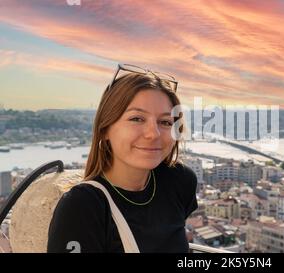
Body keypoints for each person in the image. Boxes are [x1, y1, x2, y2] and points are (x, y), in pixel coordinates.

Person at [47, 64, 198, 253]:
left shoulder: (179, 181)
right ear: (105, 129)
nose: (154, 133)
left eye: (165, 122)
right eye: (137, 118)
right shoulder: (83, 207)